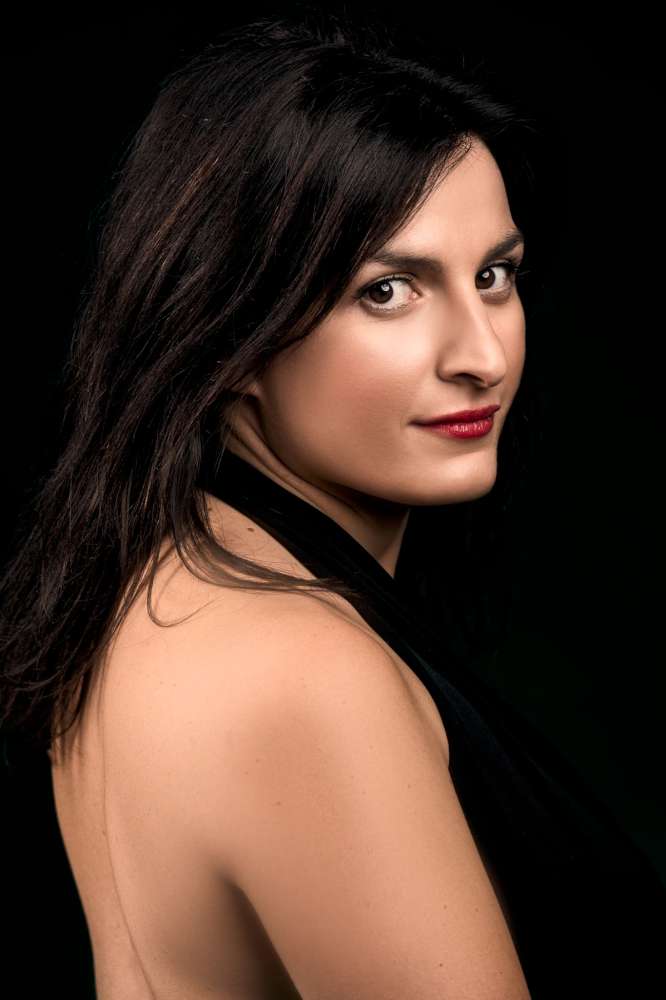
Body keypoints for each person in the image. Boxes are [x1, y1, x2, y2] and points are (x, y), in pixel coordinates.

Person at [1, 10, 664, 1000]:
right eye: (388, 291)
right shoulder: (304, 672)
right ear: (230, 324)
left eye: (494, 276)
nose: (483, 354)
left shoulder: (153, 590)